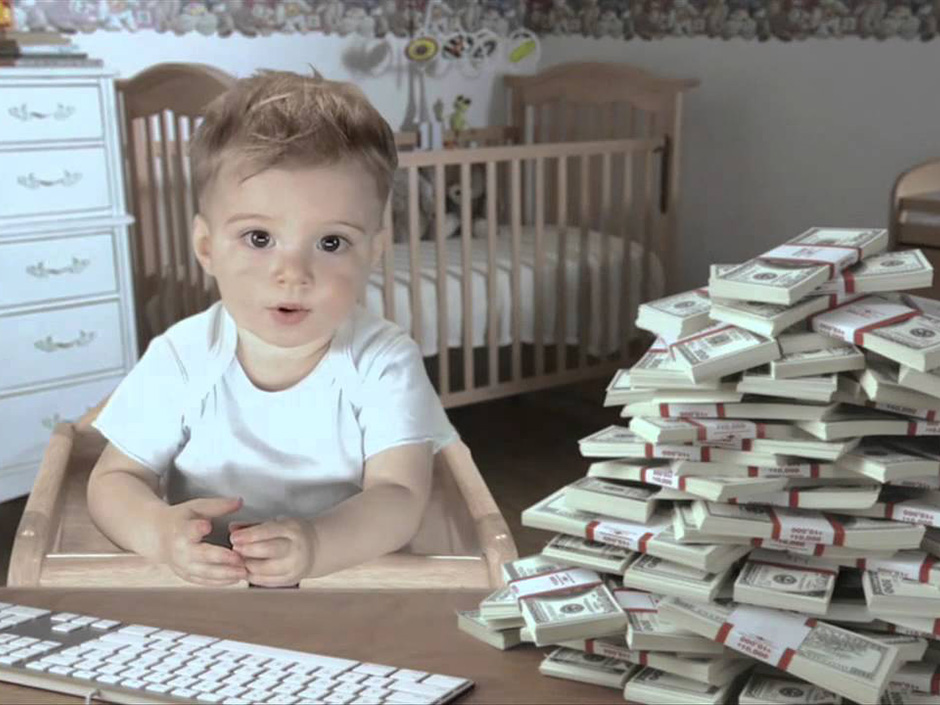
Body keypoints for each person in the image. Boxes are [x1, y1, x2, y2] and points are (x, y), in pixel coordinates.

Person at [86, 69, 457, 588]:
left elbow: (400, 496)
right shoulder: (182, 356)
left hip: (345, 582)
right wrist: (159, 533)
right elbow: (114, 480)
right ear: (207, 247)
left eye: (331, 243)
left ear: (373, 252)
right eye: (259, 238)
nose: (293, 273)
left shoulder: (384, 360)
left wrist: (319, 544)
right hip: (208, 586)